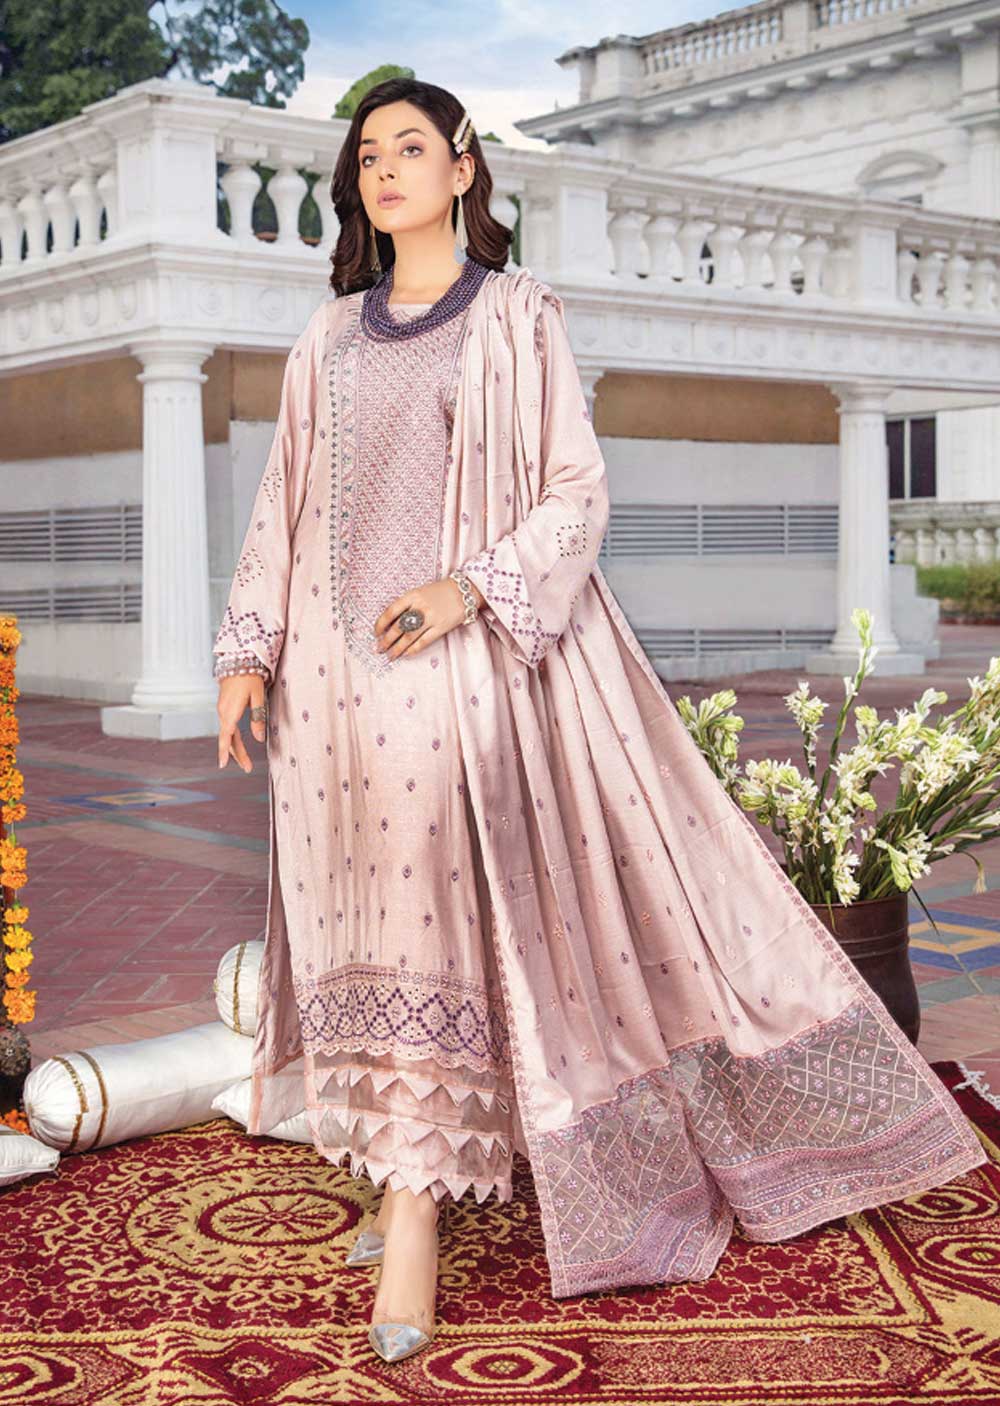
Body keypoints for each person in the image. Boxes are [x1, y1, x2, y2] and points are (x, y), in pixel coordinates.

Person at [213, 77, 987, 1366]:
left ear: (465, 168)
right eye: (367, 155)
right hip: (330, 687)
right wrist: (248, 655)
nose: (385, 170)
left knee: (435, 915)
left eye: (411, 147)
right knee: (355, 914)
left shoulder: (517, 314)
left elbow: (577, 493)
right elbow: (280, 504)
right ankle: (400, 1163)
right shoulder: (327, 336)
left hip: (460, 670)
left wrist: (469, 587)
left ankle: (416, 1212)